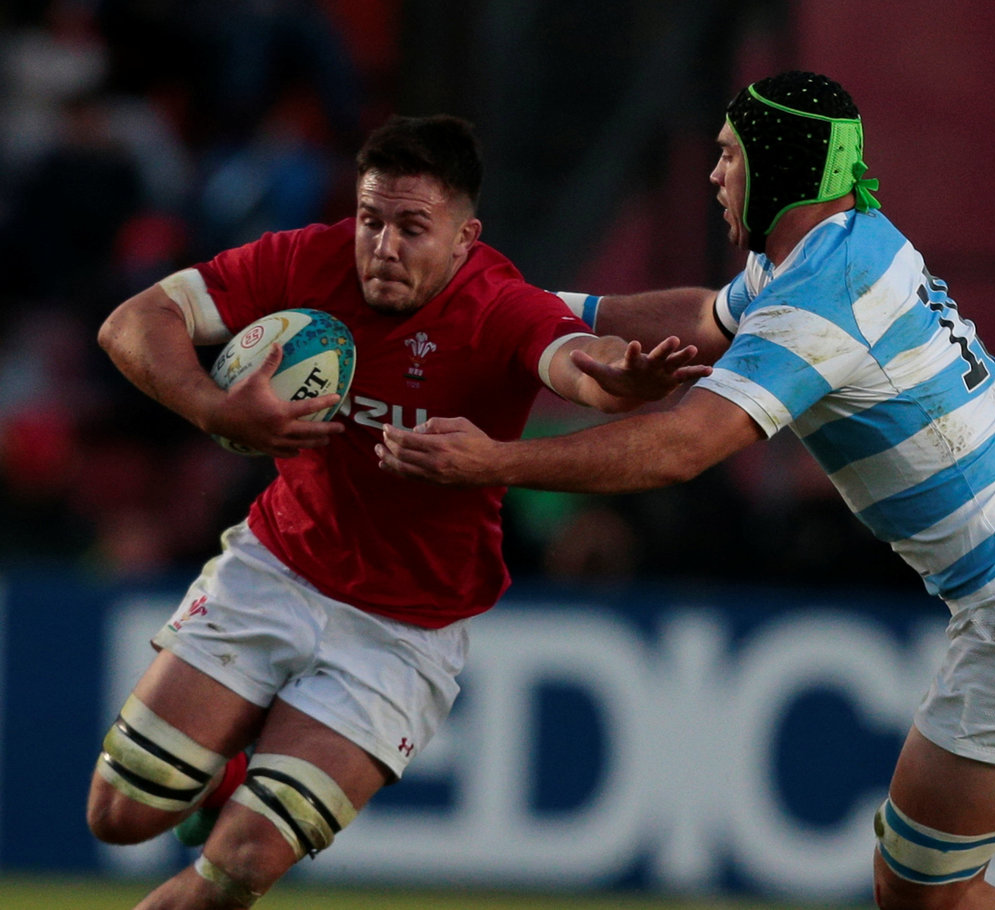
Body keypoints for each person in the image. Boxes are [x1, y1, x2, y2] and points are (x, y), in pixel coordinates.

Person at [378, 72, 995, 909]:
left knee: (924, 895)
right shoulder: (846, 243)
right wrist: (518, 305)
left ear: (778, 168)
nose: (714, 175)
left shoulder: (821, 295)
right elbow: (705, 317)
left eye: (729, 156)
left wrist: (492, 461)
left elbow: (683, 448)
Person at [89, 113, 708, 909]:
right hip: (274, 569)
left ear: (463, 238)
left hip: (400, 632)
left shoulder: (498, 303)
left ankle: (241, 799)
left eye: (412, 228)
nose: (382, 246)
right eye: (370, 220)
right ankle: (231, 772)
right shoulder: (306, 260)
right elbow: (133, 321)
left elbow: (575, 364)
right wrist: (214, 408)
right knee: (120, 816)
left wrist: (620, 382)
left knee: (240, 865)